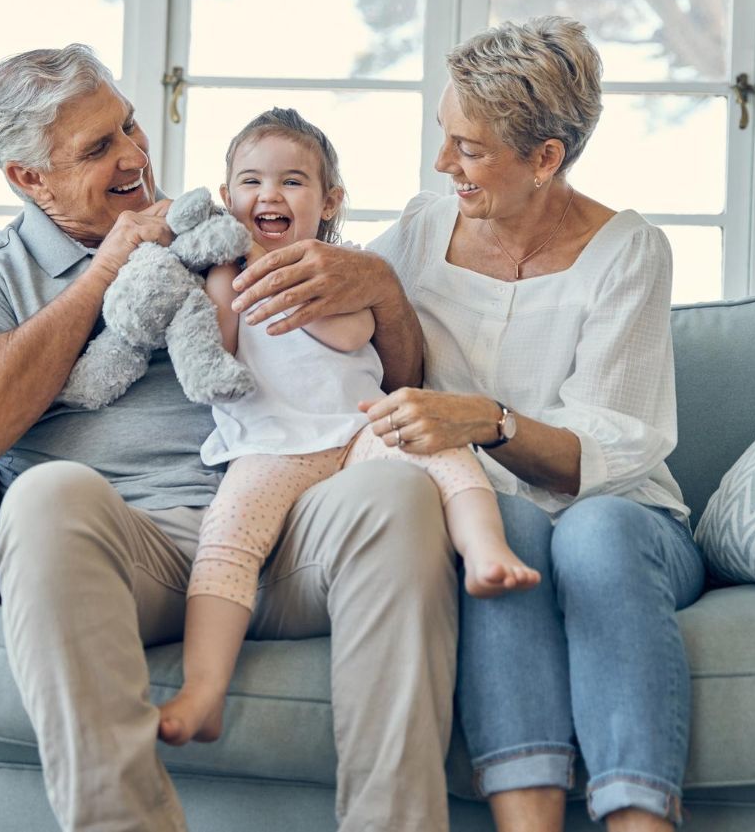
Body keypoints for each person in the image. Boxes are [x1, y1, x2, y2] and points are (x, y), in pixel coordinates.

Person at [0, 45, 460, 832]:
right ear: (27, 178)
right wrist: (108, 269)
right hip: (143, 549)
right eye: (99, 148)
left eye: (130, 125)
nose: (136, 156)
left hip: (294, 527)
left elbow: (391, 379)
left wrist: (379, 289)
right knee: (42, 497)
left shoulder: (224, 226)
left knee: (396, 487)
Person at [232, 17, 705, 830]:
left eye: (471, 148)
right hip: (491, 512)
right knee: (508, 530)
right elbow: (328, 332)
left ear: (545, 157)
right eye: (444, 137)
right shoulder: (419, 229)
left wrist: (486, 419)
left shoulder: (630, 253)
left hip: (627, 518)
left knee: (593, 535)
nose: (445, 163)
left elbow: (613, 449)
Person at [156, 108, 540, 747]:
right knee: (225, 541)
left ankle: (485, 550)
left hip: (355, 428)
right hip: (269, 444)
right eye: (251, 183)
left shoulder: (342, 263)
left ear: (329, 200)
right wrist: (222, 275)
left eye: (293, 183)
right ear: (227, 200)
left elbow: (349, 332)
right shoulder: (221, 272)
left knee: (442, 451)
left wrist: (285, 273)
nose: (269, 196)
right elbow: (217, 352)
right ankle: (204, 690)